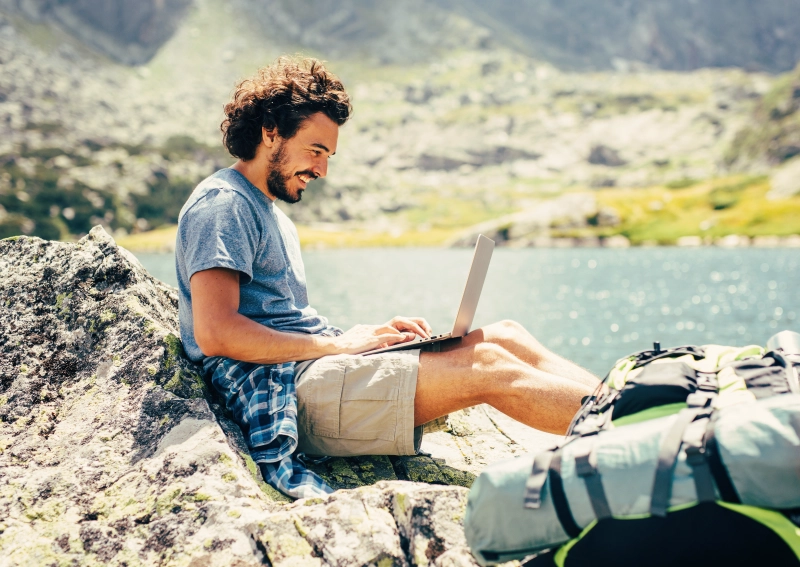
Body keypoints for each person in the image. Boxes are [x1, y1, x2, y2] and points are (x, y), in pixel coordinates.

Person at [176, 57, 600, 498]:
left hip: (309, 370)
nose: (322, 170)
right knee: (488, 367)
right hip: (278, 394)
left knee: (504, 336)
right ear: (270, 132)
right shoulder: (223, 205)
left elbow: (285, 322)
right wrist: (336, 346)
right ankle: (634, 429)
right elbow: (216, 333)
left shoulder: (269, 213)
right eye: (316, 151)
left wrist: (362, 337)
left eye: (327, 156)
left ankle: (640, 399)